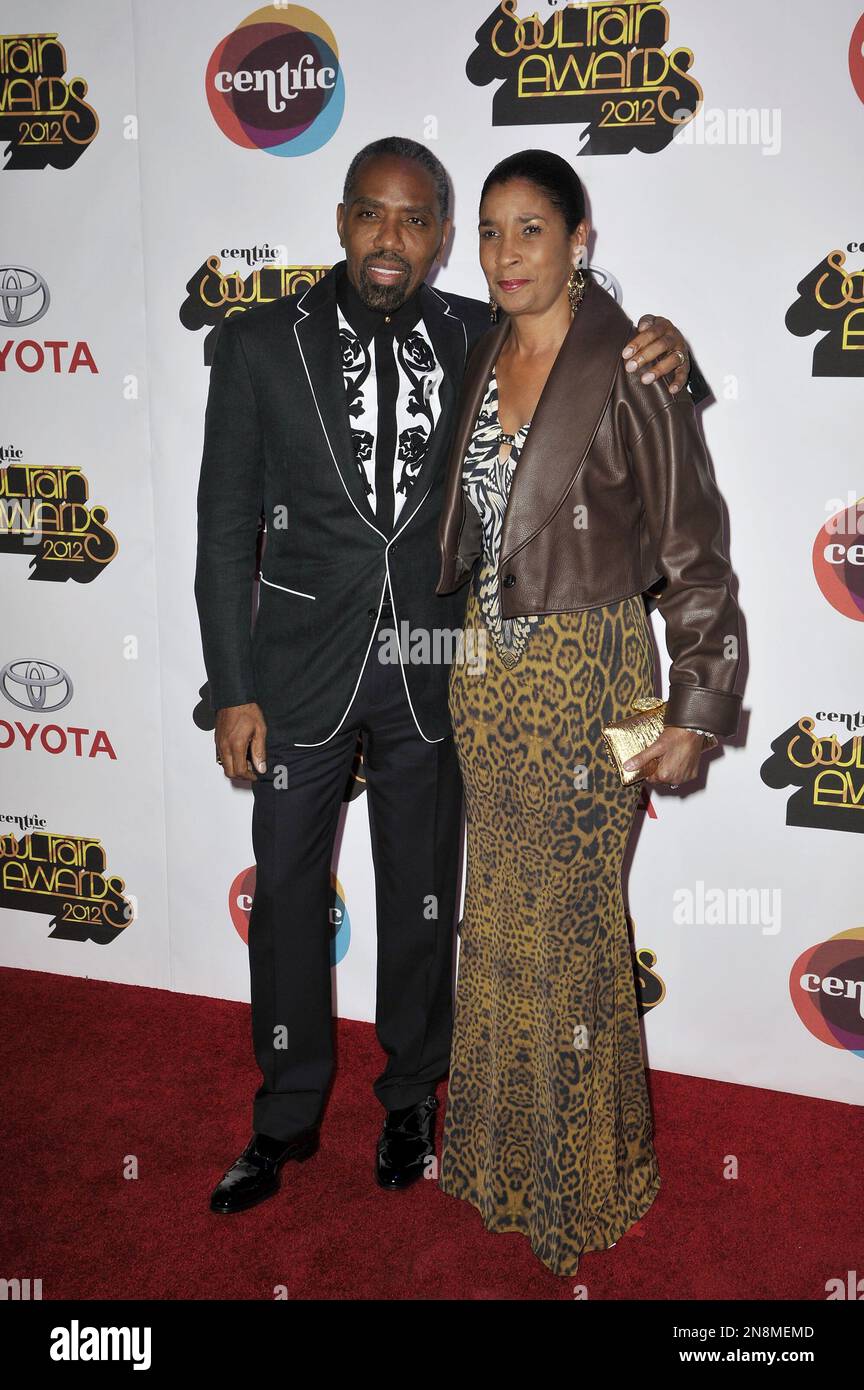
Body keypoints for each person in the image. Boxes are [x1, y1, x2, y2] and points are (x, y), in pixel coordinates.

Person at [194, 136, 700, 1215]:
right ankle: (283, 1117)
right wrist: (231, 686)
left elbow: (593, 346)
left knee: (425, 895)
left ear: (438, 240)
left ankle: (413, 1095)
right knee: (287, 894)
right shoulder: (253, 345)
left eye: (419, 217)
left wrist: (670, 345)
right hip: (299, 672)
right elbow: (223, 530)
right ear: (340, 222)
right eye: (371, 214)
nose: (392, 237)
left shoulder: (476, 328)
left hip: (444, 665)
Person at [436, 149, 742, 1276]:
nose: (508, 253)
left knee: (571, 928)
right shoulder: (478, 352)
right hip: (487, 684)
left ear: (580, 237)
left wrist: (698, 707)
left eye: (532, 230)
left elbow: (696, 556)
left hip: (598, 678)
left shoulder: (634, 364)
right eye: (491, 231)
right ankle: (498, 1155)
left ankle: (584, 1177)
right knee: (503, 919)